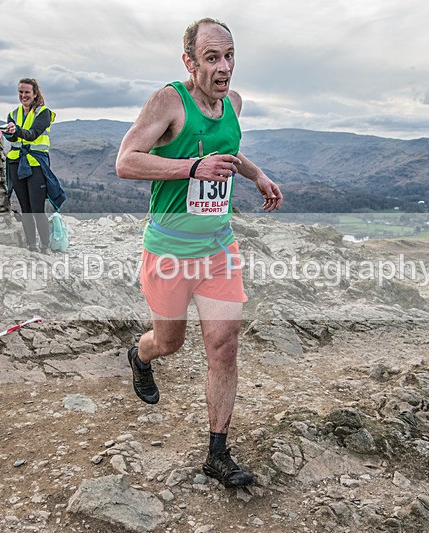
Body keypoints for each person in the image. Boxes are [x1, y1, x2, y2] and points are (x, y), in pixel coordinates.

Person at [116, 18, 283, 488]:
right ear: (189, 62)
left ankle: (217, 452)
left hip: (217, 249)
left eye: (229, 56)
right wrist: (192, 167)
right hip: (168, 251)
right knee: (169, 342)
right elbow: (126, 161)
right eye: (212, 58)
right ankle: (140, 356)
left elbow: (228, 150)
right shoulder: (169, 100)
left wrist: (257, 175)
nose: (224, 67)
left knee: (224, 347)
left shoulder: (233, 103)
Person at [1, 78, 66, 253]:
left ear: (35, 93)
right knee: (26, 208)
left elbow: (33, 134)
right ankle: (31, 246)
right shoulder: (13, 114)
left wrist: (16, 131)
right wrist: (9, 134)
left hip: (36, 164)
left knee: (37, 208)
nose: (23, 95)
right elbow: (14, 138)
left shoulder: (44, 113)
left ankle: (44, 246)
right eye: (20, 92)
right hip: (16, 162)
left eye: (27, 92)